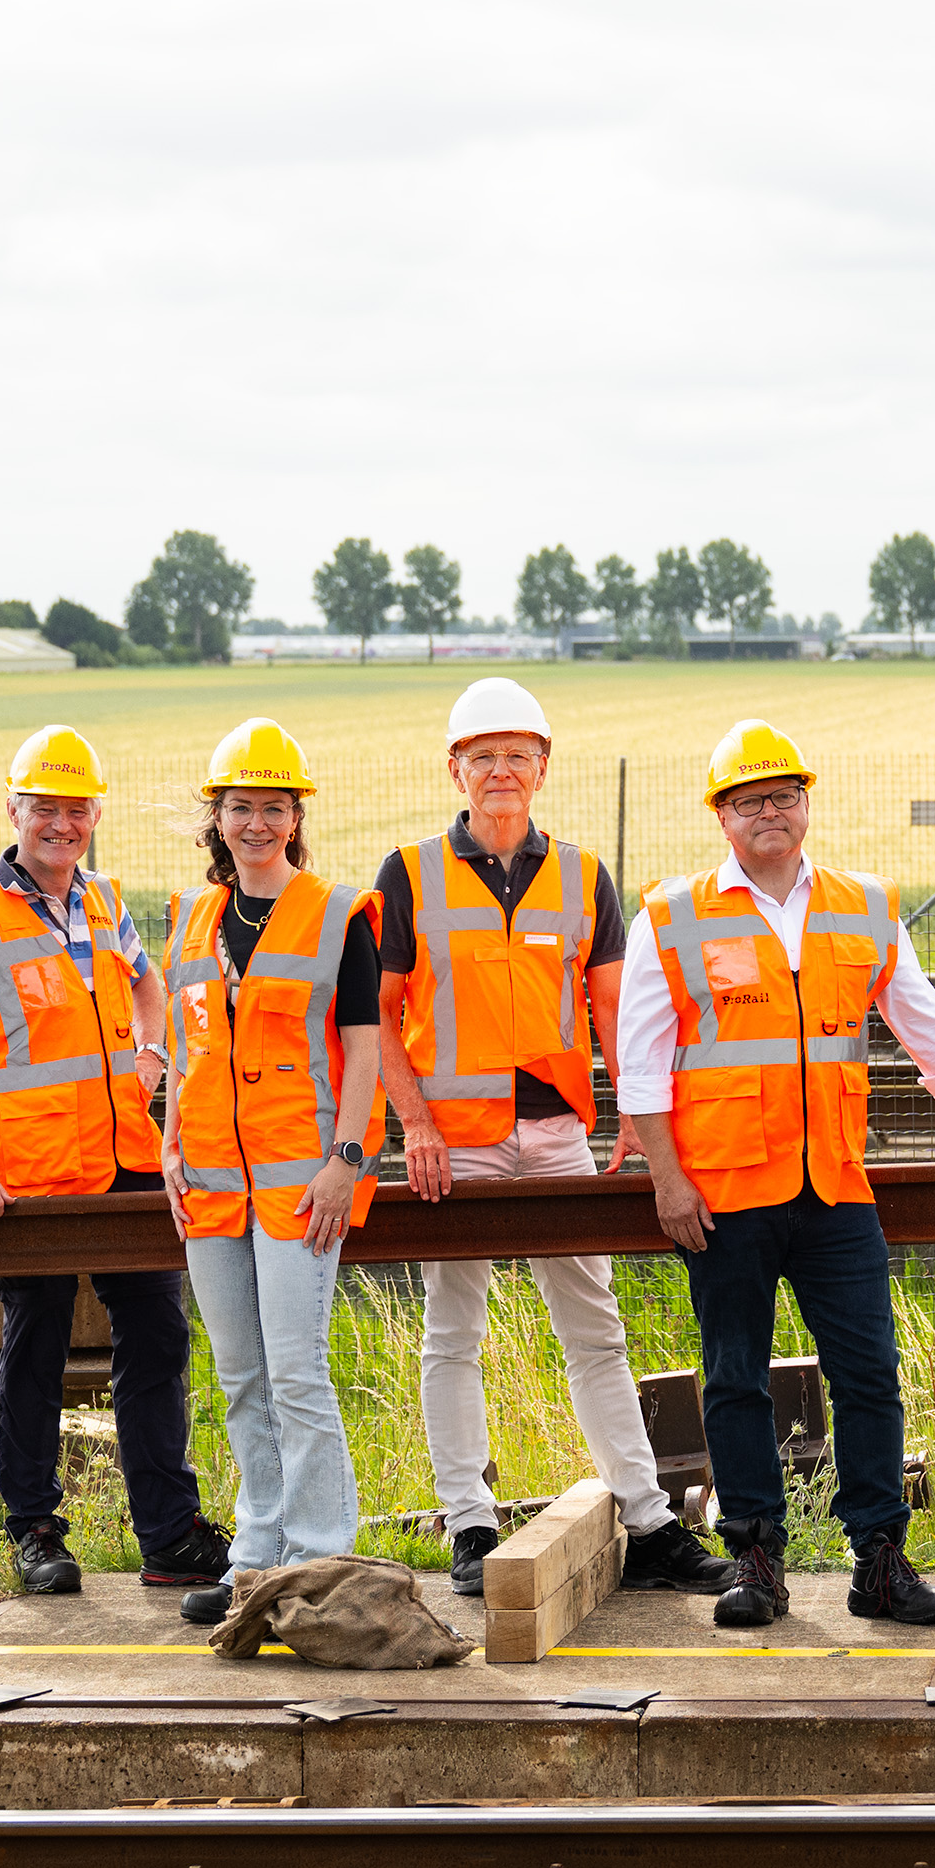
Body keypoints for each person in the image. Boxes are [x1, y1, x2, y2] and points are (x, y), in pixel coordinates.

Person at [618, 720, 935, 1630]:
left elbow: (932, 1031)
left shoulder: (865, 906)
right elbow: (641, 1064)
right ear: (721, 816)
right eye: (749, 801)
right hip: (723, 1195)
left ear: (806, 805)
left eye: (784, 796)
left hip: (835, 1189)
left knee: (869, 1374)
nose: (770, 813)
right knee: (735, 1379)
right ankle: (756, 1562)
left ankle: (881, 1564)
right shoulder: (671, 915)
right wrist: (668, 1181)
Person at [377, 675, 731, 1603]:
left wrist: (635, 1118)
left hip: (558, 1135)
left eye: (518, 756)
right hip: (455, 1144)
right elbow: (378, 1017)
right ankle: (468, 1523)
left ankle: (648, 1522)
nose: (501, 770)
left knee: (595, 1330)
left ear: (542, 768)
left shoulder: (583, 876)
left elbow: (616, 1013)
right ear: (455, 769)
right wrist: (415, 1123)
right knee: (453, 1332)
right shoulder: (407, 874)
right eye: (483, 756)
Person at [0, 723, 227, 1602]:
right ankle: (35, 1532)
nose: (61, 825)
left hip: (125, 1163)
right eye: (45, 807)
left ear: (94, 817)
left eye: (77, 810)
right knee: (36, 1348)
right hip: (24, 1177)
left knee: (158, 1341)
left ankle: (170, 1534)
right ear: (13, 811)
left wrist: (152, 1056)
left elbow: (148, 983)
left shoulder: (105, 901)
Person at [159, 718, 387, 1630]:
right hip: (211, 1181)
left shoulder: (337, 915)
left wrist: (346, 1162)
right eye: (239, 807)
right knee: (241, 1377)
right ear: (216, 818)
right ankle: (255, 1560)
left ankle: (318, 1558)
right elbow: (186, 1050)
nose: (256, 823)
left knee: (296, 1373)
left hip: (304, 1183)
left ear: (297, 817)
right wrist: (170, 1144)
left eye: (273, 808)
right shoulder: (191, 917)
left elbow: (365, 1051)